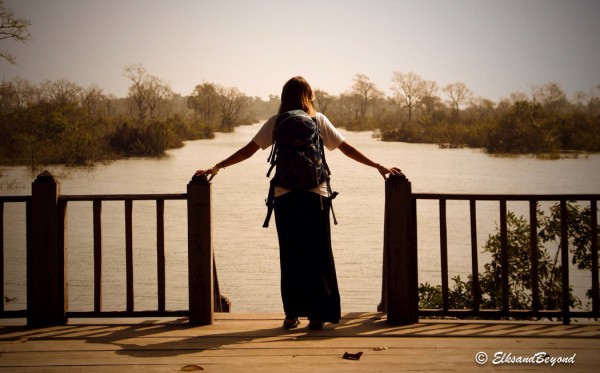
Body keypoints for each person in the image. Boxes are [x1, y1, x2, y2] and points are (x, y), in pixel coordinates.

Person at [196, 76, 401, 330]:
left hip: (285, 196)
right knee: (319, 255)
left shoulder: (276, 122)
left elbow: (249, 150)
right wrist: (378, 166)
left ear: (284, 97)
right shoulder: (318, 120)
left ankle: (292, 314)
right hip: (317, 196)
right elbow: (346, 148)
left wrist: (217, 167)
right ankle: (318, 315)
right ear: (309, 97)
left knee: (291, 255)